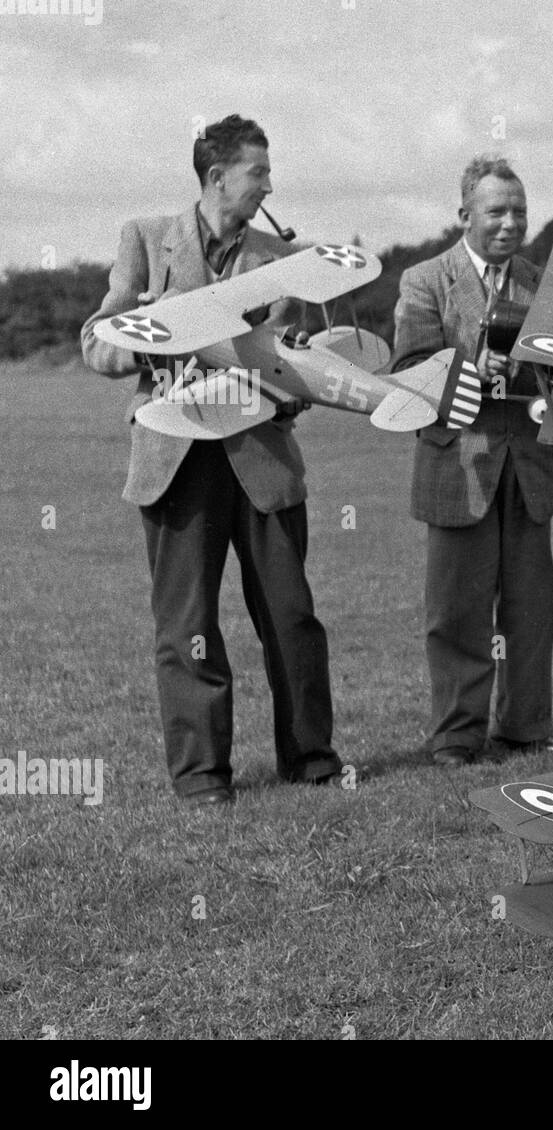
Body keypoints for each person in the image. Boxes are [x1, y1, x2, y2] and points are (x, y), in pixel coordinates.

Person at [81, 114, 341, 805]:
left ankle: (312, 761)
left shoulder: (284, 257)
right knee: (187, 625)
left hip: (262, 460)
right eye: (259, 171)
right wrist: (159, 339)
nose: (269, 184)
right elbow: (97, 346)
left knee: (291, 616)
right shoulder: (144, 238)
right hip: (175, 462)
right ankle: (201, 778)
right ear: (217, 176)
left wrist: (290, 391)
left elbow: (303, 365)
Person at [391, 156, 553, 767]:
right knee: (457, 613)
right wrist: (470, 367)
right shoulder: (423, 281)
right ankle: (457, 736)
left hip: (531, 467)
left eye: (519, 210)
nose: (510, 222)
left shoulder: (543, 282)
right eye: (496, 211)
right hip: (457, 467)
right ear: (464, 214)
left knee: (531, 607)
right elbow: (409, 372)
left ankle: (525, 726)